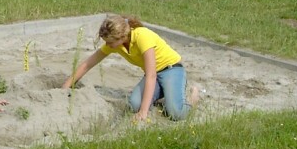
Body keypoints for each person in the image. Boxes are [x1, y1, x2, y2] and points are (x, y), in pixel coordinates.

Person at [62, 15, 199, 121]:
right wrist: (65, 87)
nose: (108, 45)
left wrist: (144, 113)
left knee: (176, 113)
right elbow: (88, 64)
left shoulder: (142, 36)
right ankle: (164, 93)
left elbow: (151, 75)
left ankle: (193, 96)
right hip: (154, 76)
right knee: (134, 104)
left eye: (110, 42)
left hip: (171, 69)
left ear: (122, 36)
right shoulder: (117, 44)